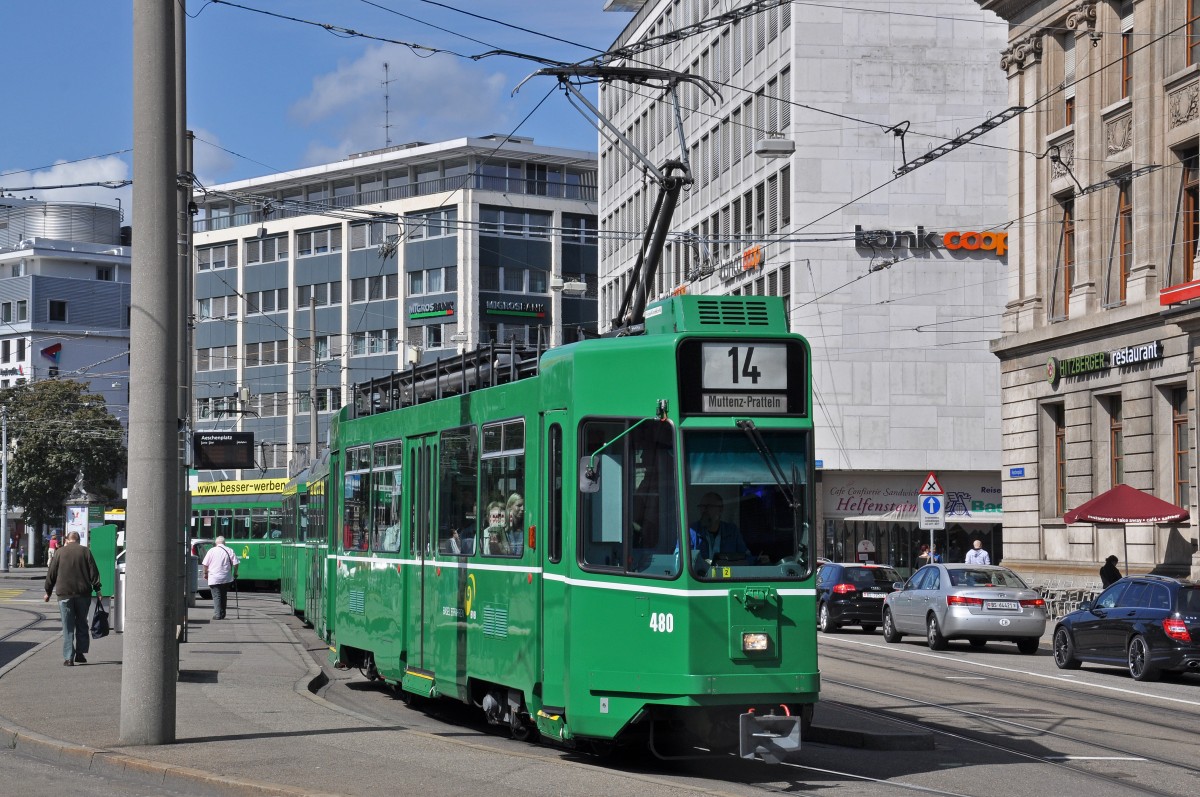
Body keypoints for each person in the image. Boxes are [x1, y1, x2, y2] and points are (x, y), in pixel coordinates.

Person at [42, 531, 101, 666]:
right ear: (79, 540)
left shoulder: (59, 552)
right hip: (83, 594)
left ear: (67, 540)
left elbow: (51, 573)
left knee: (67, 626)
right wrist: (98, 589)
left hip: (64, 594)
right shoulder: (86, 552)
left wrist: (48, 592)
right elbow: (94, 572)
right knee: (82, 623)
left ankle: (69, 658)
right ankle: (80, 654)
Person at [687, 492, 760, 564]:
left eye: (708, 506)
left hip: (728, 575)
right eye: (701, 506)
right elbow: (679, 560)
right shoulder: (691, 531)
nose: (704, 510)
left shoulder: (732, 531)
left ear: (720, 510)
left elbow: (745, 557)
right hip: (700, 575)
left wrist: (758, 560)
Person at [201, 535, 239, 620]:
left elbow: (205, 564)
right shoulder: (230, 550)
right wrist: (235, 573)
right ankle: (222, 614)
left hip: (214, 577)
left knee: (216, 596)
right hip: (226, 577)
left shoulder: (211, 551)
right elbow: (236, 563)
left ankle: (218, 615)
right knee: (223, 595)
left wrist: (205, 573)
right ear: (224, 543)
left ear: (216, 543)